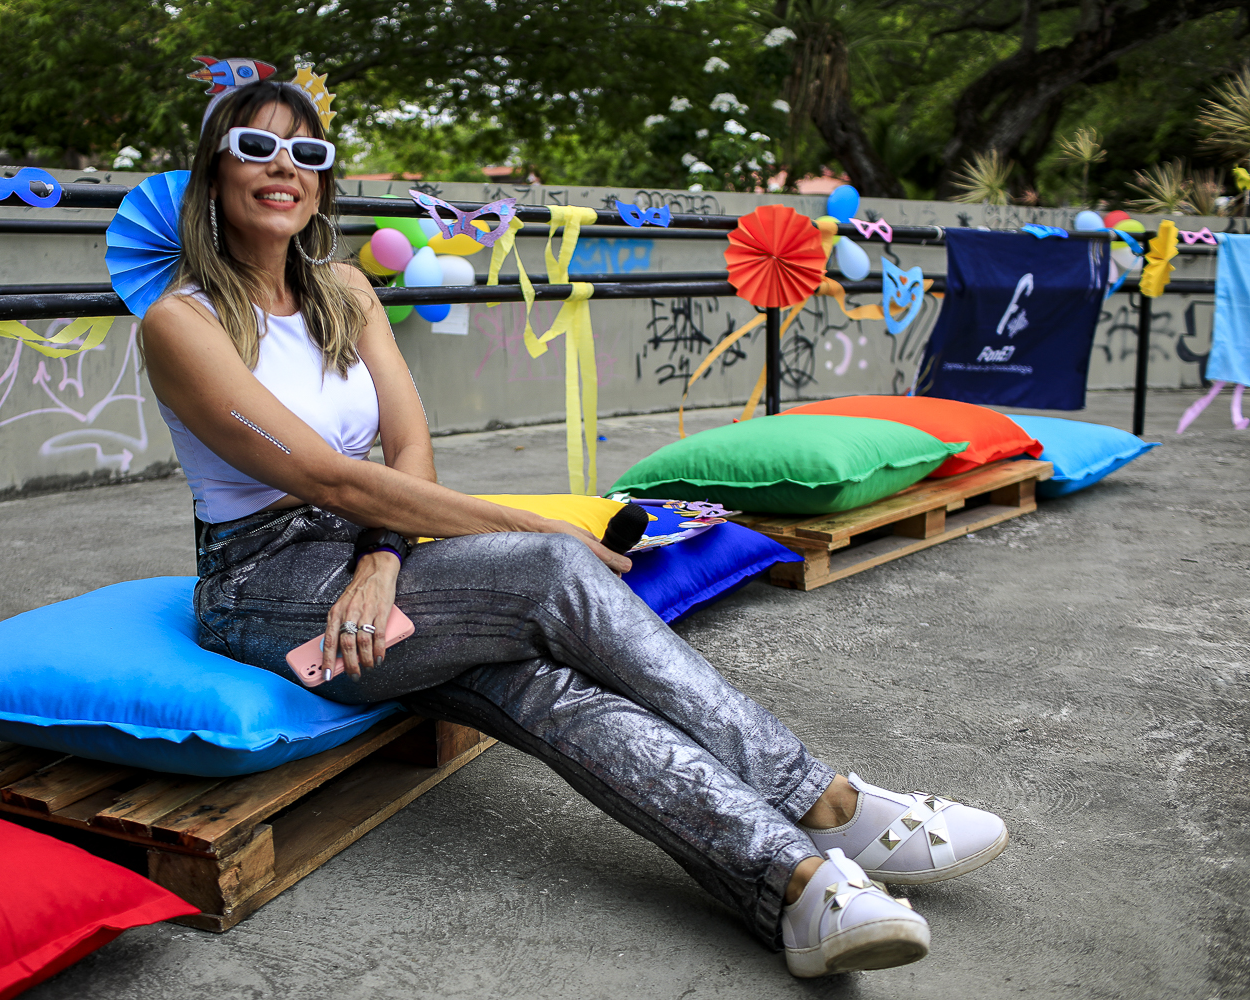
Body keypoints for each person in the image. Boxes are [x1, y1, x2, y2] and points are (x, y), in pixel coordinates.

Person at [139, 74, 1009, 979]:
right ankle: (826, 802)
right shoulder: (181, 322)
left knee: (548, 693)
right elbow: (322, 474)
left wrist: (386, 559)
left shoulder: (346, 291)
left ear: (323, 182)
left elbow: (407, 442)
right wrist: (525, 531)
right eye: (256, 147)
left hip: (377, 553)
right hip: (265, 586)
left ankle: (795, 888)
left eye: (306, 153)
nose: (283, 167)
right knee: (551, 572)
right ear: (212, 172)